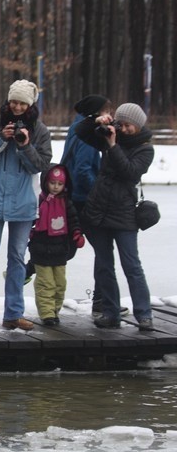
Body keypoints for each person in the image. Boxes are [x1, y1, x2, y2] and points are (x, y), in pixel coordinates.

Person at [0, 79, 52, 330]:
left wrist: (25, 145)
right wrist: (1, 138)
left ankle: (13, 314)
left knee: (17, 258)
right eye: (13, 101)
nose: (16, 106)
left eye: (22, 103)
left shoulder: (40, 131)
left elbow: (40, 166)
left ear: (30, 105)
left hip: (23, 203)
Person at [75, 103, 155, 331]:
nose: (124, 129)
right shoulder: (109, 135)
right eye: (121, 124)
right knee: (104, 265)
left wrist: (112, 145)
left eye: (128, 125)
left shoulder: (145, 149)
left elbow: (129, 172)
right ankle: (110, 313)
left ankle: (144, 314)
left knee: (132, 265)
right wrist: (95, 120)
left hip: (125, 214)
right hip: (98, 211)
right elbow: (80, 132)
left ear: (138, 125)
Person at [61, 94, 128, 319]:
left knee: (69, 247)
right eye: (106, 110)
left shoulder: (77, 127)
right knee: (103, 250)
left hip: (72, 197)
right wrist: (97, 194)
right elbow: (82, 170)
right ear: (96, 113)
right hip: (83, 200)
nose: (110, 114)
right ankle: (103, 301)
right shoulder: (87, 135)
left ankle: (31, 272)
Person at [29, 165, 85, 326]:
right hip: (40, 249)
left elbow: (74, 221)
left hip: (60, 250)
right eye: (52, 183)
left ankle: (55, 311)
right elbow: (30, 220)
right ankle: (47, 314)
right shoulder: (38, 200)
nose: (55, 187)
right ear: (46, 182)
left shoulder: (66, 203)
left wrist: (76, 235)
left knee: (60, 284)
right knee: (46, 283)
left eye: (59, 184)